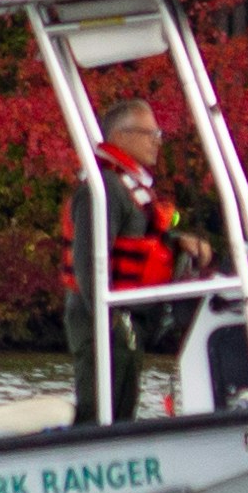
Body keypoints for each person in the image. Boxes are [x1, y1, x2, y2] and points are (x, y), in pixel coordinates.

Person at [91, 98, 215, 414]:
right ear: (120, 136)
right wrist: (108, 316)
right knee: (111, 405)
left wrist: (179, 242)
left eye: (158, 133)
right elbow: (93, 254)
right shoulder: (105, 188)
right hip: (114, 318)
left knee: (126, 401)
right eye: (150, 133)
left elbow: (144, 236)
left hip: (134, 315)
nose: (157, 140)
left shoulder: (135, 187)